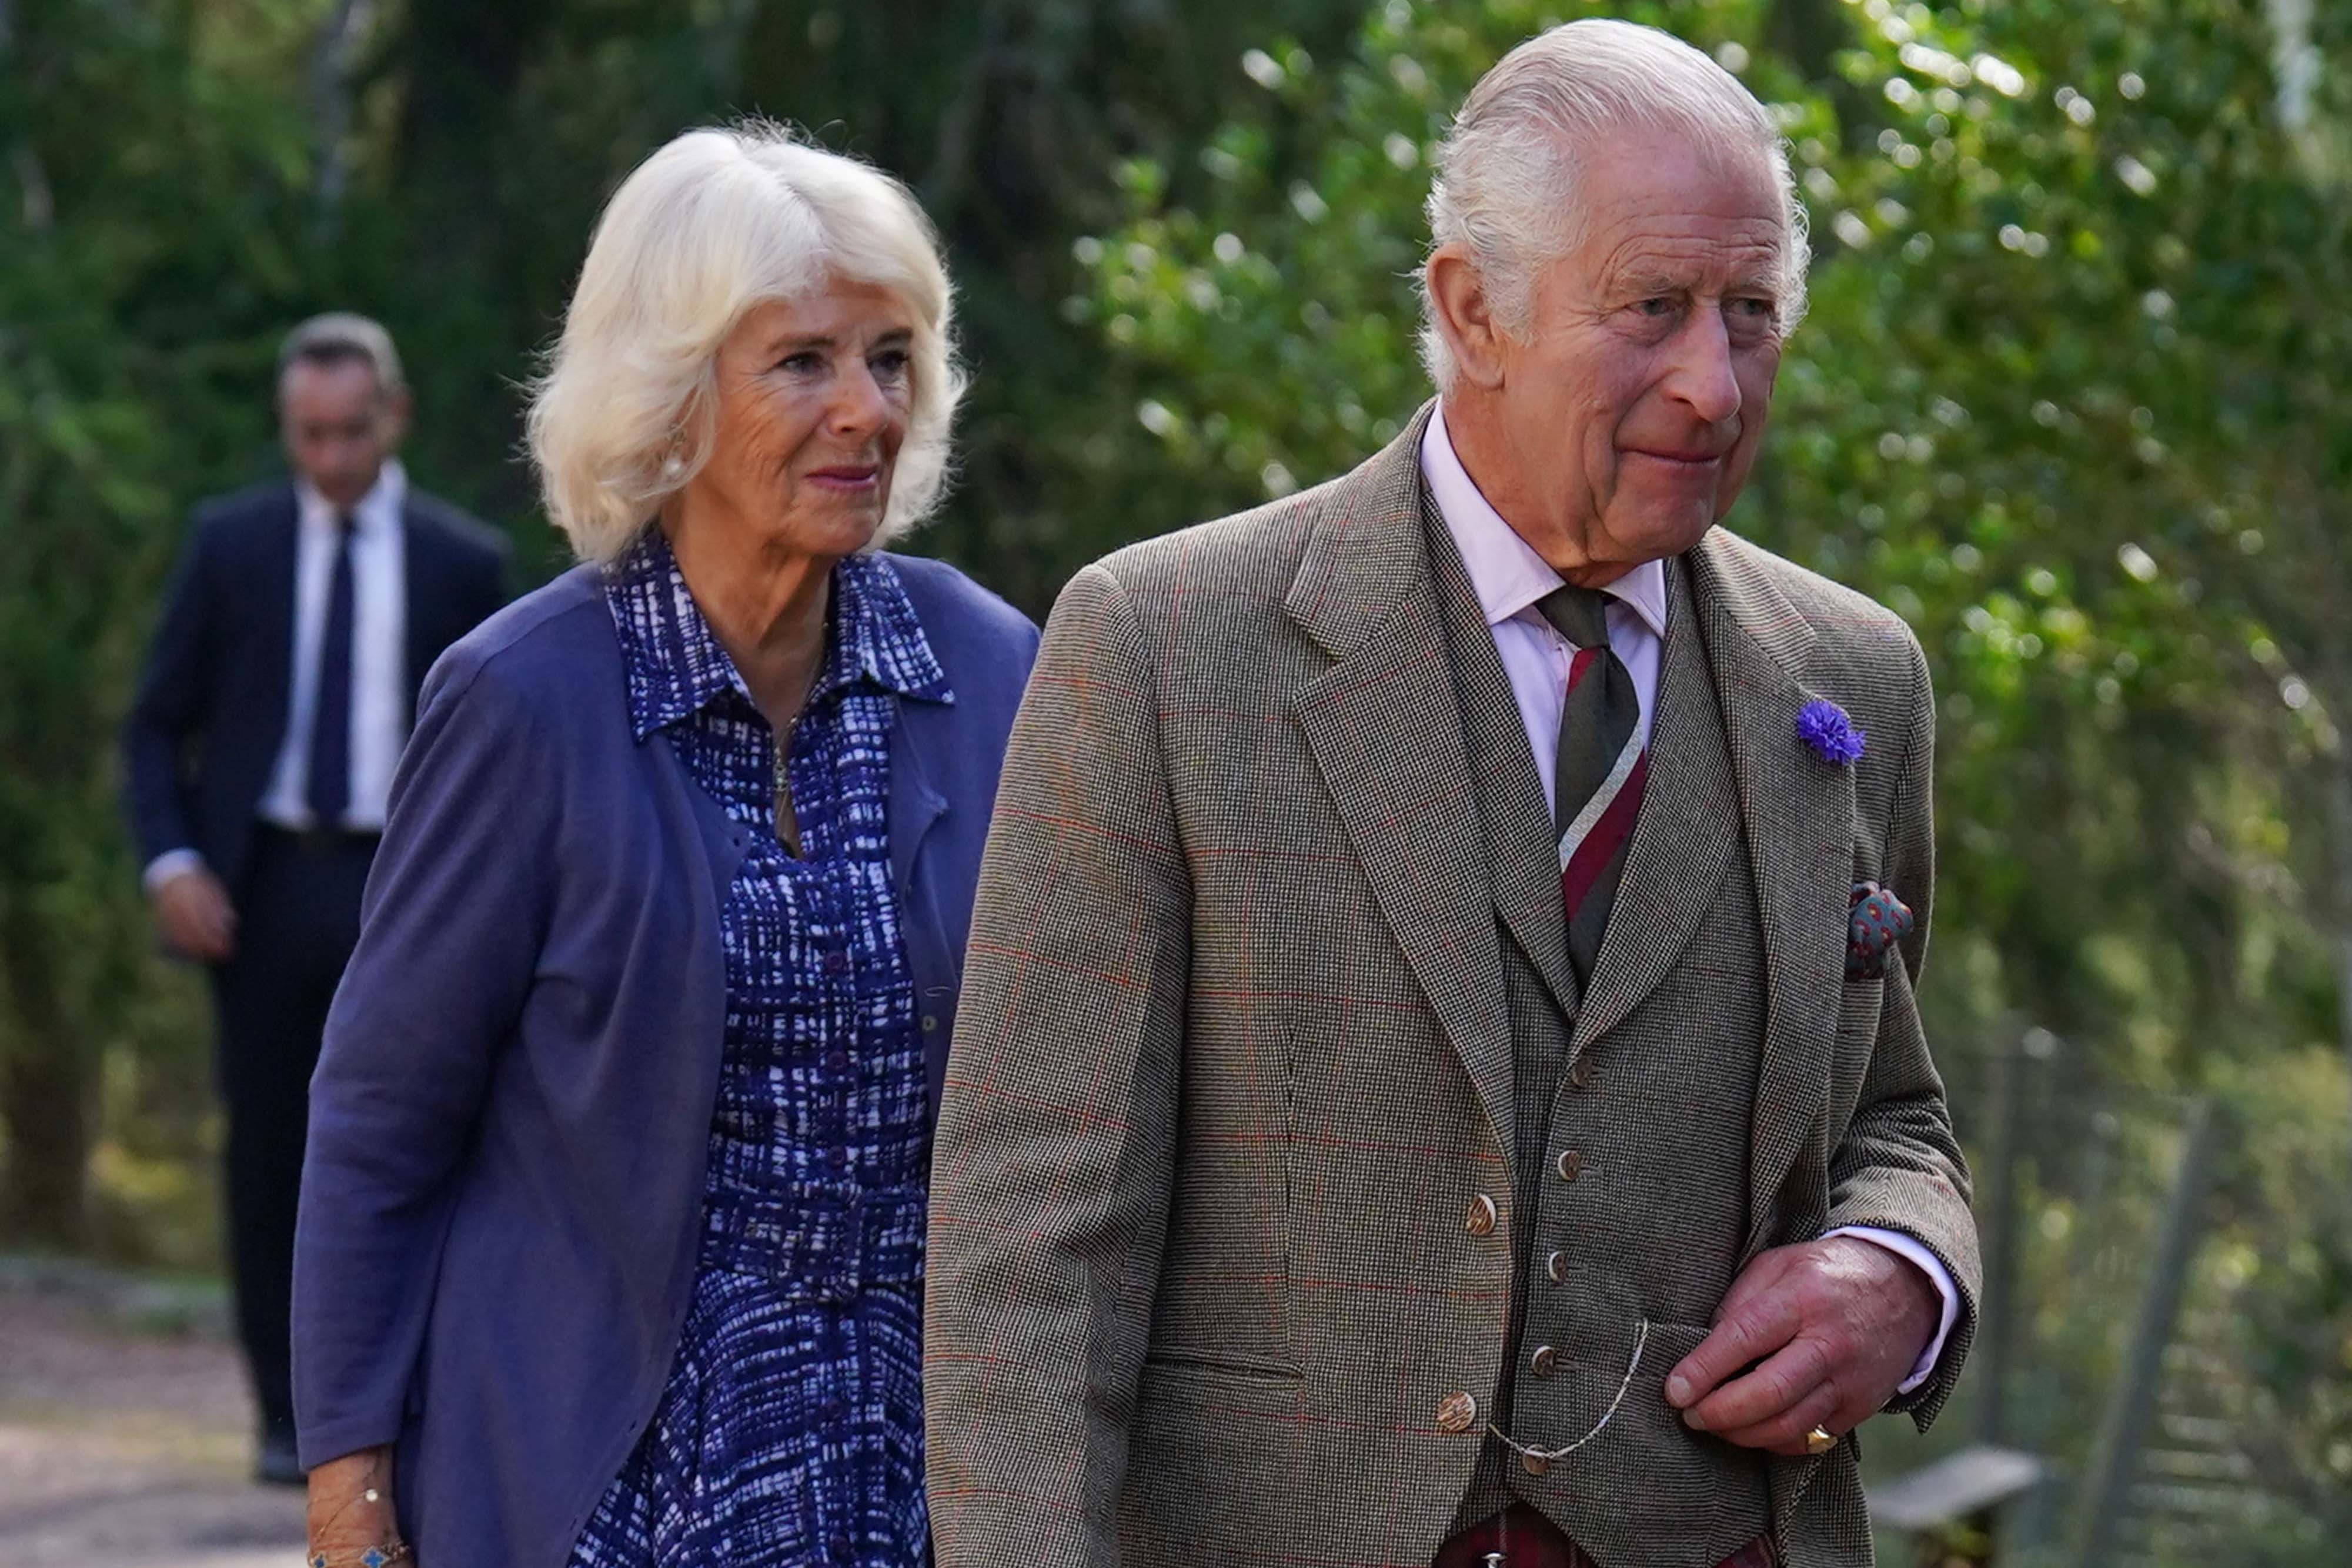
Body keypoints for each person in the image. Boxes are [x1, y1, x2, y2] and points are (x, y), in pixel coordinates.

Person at [924, 20, 1980, 1568]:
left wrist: (1905, 1267)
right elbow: (1036, 1244)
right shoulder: (1165, 647)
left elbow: (1896, 1107)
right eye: (1655, 309)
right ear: (1473, 310)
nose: (1714, 382)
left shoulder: (1851, 679)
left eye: (1752, 314)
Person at [290, 124, 1038, 1568]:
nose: (865, 411)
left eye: (890, 357)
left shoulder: (988, 668)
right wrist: (348, 1483)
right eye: (803, 361)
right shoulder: (524, 701)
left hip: (916, 1482)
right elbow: (380, 1117)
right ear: (674, 392)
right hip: (607, 1478)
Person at [120, 313, 507, 1485]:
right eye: (307, 436)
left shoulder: (462, 561)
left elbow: (503, 746)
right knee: (269, 1149)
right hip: (264, 885)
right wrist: (173, 863)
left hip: (409, 889)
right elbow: (152, 726)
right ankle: (286, 1415)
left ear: (391, 417)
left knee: (427, 1137)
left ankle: (408, 1393)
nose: (330, 459)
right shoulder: (230, 546)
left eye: (349, 431)